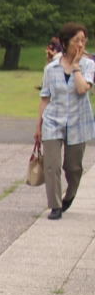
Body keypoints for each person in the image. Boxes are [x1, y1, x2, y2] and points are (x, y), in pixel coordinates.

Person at [37, 22, 94, 220]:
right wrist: (39, 126)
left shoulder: (89, 65)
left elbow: (82, 89)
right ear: (65, 42)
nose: (80, 44)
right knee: (51, 165)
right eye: (76, 40)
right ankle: (55, 206)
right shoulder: (51, 67)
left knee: (73, 168)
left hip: (78, 121)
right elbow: (45, 97)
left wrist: (76, 66)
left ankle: (70, 195)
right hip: (53, 120)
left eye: (83, 40)